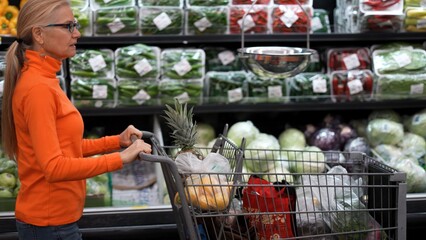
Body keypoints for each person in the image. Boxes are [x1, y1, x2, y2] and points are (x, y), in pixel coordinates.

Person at [0, 0, 152, 239]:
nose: (77, 33)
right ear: (39, 34)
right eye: (68, 26)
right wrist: (120, 159)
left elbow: (65, 148)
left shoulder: (46, 78)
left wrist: (116, 141)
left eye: (76, 24)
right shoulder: (38, 88)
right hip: (50, 226)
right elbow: (54, 167)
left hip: (55, 223)